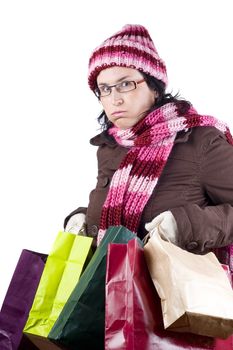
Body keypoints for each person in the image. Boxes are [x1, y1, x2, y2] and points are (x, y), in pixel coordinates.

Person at [64, 24, 233, 258]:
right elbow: (117, 214)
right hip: (110, 286)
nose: (115, 99)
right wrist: (83, 218)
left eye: (125, 84)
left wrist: (184, 224)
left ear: (154, 87)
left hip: (176, 290)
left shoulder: (201, 141)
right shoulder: (110, 146)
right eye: (104, 89)